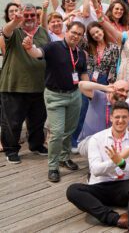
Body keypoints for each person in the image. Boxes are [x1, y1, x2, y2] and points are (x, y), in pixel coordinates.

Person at [23, 21, 88, 182]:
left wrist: (92, 94)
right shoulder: (53, 47)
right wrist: (29, 47)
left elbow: (83, 75)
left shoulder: (80, 53)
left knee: (70, 129)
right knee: (57, 132)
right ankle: (53, 166)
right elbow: (37, 53)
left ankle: (64, 157)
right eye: (73, 32)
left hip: (74, 95)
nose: (75, 36)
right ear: (67, 31)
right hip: (55, 96)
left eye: (79, 34)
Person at [66, 101, 129, 232]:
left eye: (124, 117)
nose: (120, 120)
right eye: (117, 117)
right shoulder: (97, 139)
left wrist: (121, 162)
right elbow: (95, 170)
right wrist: (116, 160)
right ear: (111, 117)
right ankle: (115, 219)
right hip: (100, 186)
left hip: (122, 186)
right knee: (73, 190)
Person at [0, 4, 49, 165]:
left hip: (38, 85)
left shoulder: (42, 32)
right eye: (26, 15)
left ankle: (36, 145)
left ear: (37, 16)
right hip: (14, 85)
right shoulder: (15, 31)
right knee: (13, 121)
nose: (29, 18)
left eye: (32, 15)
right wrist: (15, 21)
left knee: (38, 119)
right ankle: (11, 149)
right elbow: (6, 31)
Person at [76, 80, 129, 157]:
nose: (124, 94)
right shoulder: (99, 96)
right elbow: (81, 85)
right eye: (121, 90)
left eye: (127, 91)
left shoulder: (122, 106)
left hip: (108, 142)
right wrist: (105, 87)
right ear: (112, 88)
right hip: (87, 142)